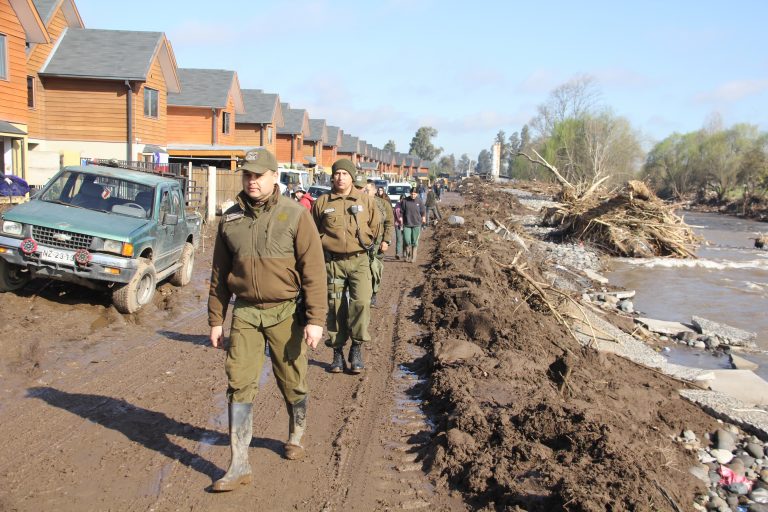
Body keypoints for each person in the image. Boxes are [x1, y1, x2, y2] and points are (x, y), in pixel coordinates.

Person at [208, 148, 327, 491]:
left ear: (275, 176)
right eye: (247, 174)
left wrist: (315, 319)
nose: (252, 181)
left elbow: (314, 271)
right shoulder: (230, 219)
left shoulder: (294, 215)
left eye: (258, 175)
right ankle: (239, 464)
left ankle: (296, 433)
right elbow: (219, 274)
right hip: (245, 312)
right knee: (238, 382)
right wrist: (216, 318)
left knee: (292, 379)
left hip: (286, 312)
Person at [312, 159, 381, 374]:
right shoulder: (322, 202)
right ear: (332, 177)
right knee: (335, 308)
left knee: (361, 303)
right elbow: (312, 232)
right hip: (333, 262)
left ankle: (357, 348)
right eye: (337, 173)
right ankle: (337, 353)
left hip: (359, 261)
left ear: (352, 177)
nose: (340, 177)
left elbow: (376, 228)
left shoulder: (367, 202)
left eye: (345, 173)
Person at [364, 184, 394, 306]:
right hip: (361, 244)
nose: (365, 191)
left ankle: (373, 294)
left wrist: (386, 241)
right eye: (363, 189)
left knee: (375, 270)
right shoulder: (358, 203)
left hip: (377, 243)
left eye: (368, 190)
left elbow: (389, 223)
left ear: (375, 191)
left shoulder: (383, 204)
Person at [402, 187, 426, 263]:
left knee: (414, 241)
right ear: (410, 193)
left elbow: (423, 211)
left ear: (417, 194)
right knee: (407, 240)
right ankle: (407, 256)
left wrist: (424, 217)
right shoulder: (405, 201)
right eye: (412, 194)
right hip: (407, 224)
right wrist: (400, 219)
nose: (413, 195)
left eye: (414, 194)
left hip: (416, 224)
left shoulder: (419, 201)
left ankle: (413, 257)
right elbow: (402, 211)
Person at [393, 194, 405, 260]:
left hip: (406, 225)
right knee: (399, 239)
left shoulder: (406, 205)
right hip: (398, 224)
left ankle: (404, 253)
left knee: (405, 239)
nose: (402, 201)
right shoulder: (397, 206)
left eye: (404, 199)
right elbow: (398, 216)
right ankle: (398, 253)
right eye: (401, 199)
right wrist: (400, 220)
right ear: (400, 199)